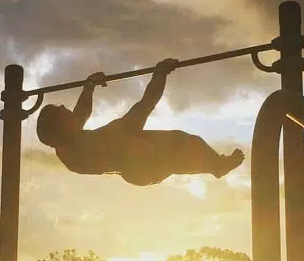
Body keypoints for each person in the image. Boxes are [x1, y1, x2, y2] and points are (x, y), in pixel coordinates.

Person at [36, 58, 244, 186]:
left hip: (131, 160)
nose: (65, 108)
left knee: (180, 141)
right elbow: (145, 104)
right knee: (176, 146)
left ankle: (216, 165)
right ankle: (217, 165)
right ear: (63, 126)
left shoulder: (66, 141)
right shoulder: (100, 142)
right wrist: (160, 74)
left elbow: (80, 113)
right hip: (142, 169)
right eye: (61, 111)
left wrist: (89, 86)